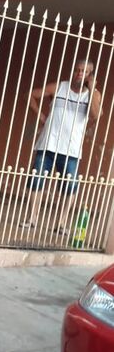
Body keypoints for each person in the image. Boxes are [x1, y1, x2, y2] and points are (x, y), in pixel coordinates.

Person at [21, 59, 102, 234]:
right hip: (48, 144)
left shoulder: (93, 94)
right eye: (77, 70)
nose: (80, 74)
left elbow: (95, 114)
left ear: (90, 75)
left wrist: (91, 88)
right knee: (36, 181)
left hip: (71, 150)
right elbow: (29, 95)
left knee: (70, 187)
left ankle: (62, 223)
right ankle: (32, 218)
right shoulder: (59, 87)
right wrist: (42, 117)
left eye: (85, 72)